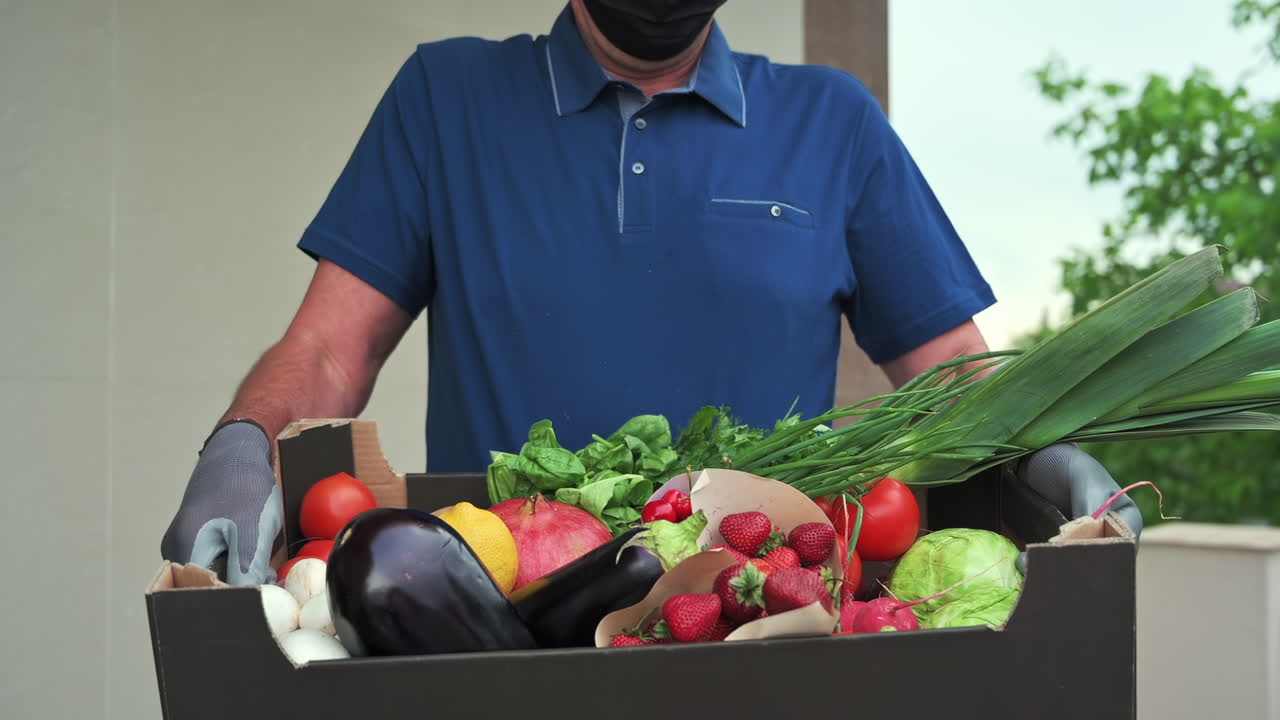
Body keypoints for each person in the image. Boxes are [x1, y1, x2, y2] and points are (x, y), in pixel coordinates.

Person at [161, 0, 1141, 585]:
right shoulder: (443, 99)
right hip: (500, 627)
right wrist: (243, 440)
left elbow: (950, 375)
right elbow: (330, 348)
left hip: (762, 618)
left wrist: (1037, 446)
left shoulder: (830, 121)